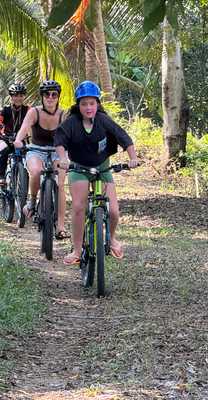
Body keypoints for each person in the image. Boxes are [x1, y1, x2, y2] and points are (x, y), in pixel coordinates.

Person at [54, 81, 139, 266]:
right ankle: (77, 249)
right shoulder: (71, 123)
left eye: (92, 103)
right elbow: (60, 140)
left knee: (114, 211)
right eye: (84, 104)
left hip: (102, 167)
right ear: (78, 105)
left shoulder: (104, 121)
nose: (88, 107)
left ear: (97, 104)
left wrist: (133, 157)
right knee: (78, 206)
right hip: (79, 168)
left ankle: (112, 239)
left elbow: (123, 137)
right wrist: (63, 159)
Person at [13, 80, 69, 239]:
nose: (50, 98)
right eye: (47, 94)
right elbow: (23, 130)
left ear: (58, 97)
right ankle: (32, 200)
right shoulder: (34, 112)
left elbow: (71, 135)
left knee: (59, 182)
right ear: (42, 97)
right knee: (37, 171)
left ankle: (61, 226)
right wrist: (18, 141)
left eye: (54, 95)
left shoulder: (63, 115)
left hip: (58, 153)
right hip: (36, 150)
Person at [0, 83, 29, 185]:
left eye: (21, 96)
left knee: (28, 154)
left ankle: (24, 178)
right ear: (11, 97)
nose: (18, 98)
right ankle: (1, 176)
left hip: (20, 140)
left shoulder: (28, 110)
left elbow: (36, 120)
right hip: (4, 138)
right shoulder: (5, 110)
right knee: (4, 150)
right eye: (16, 96)